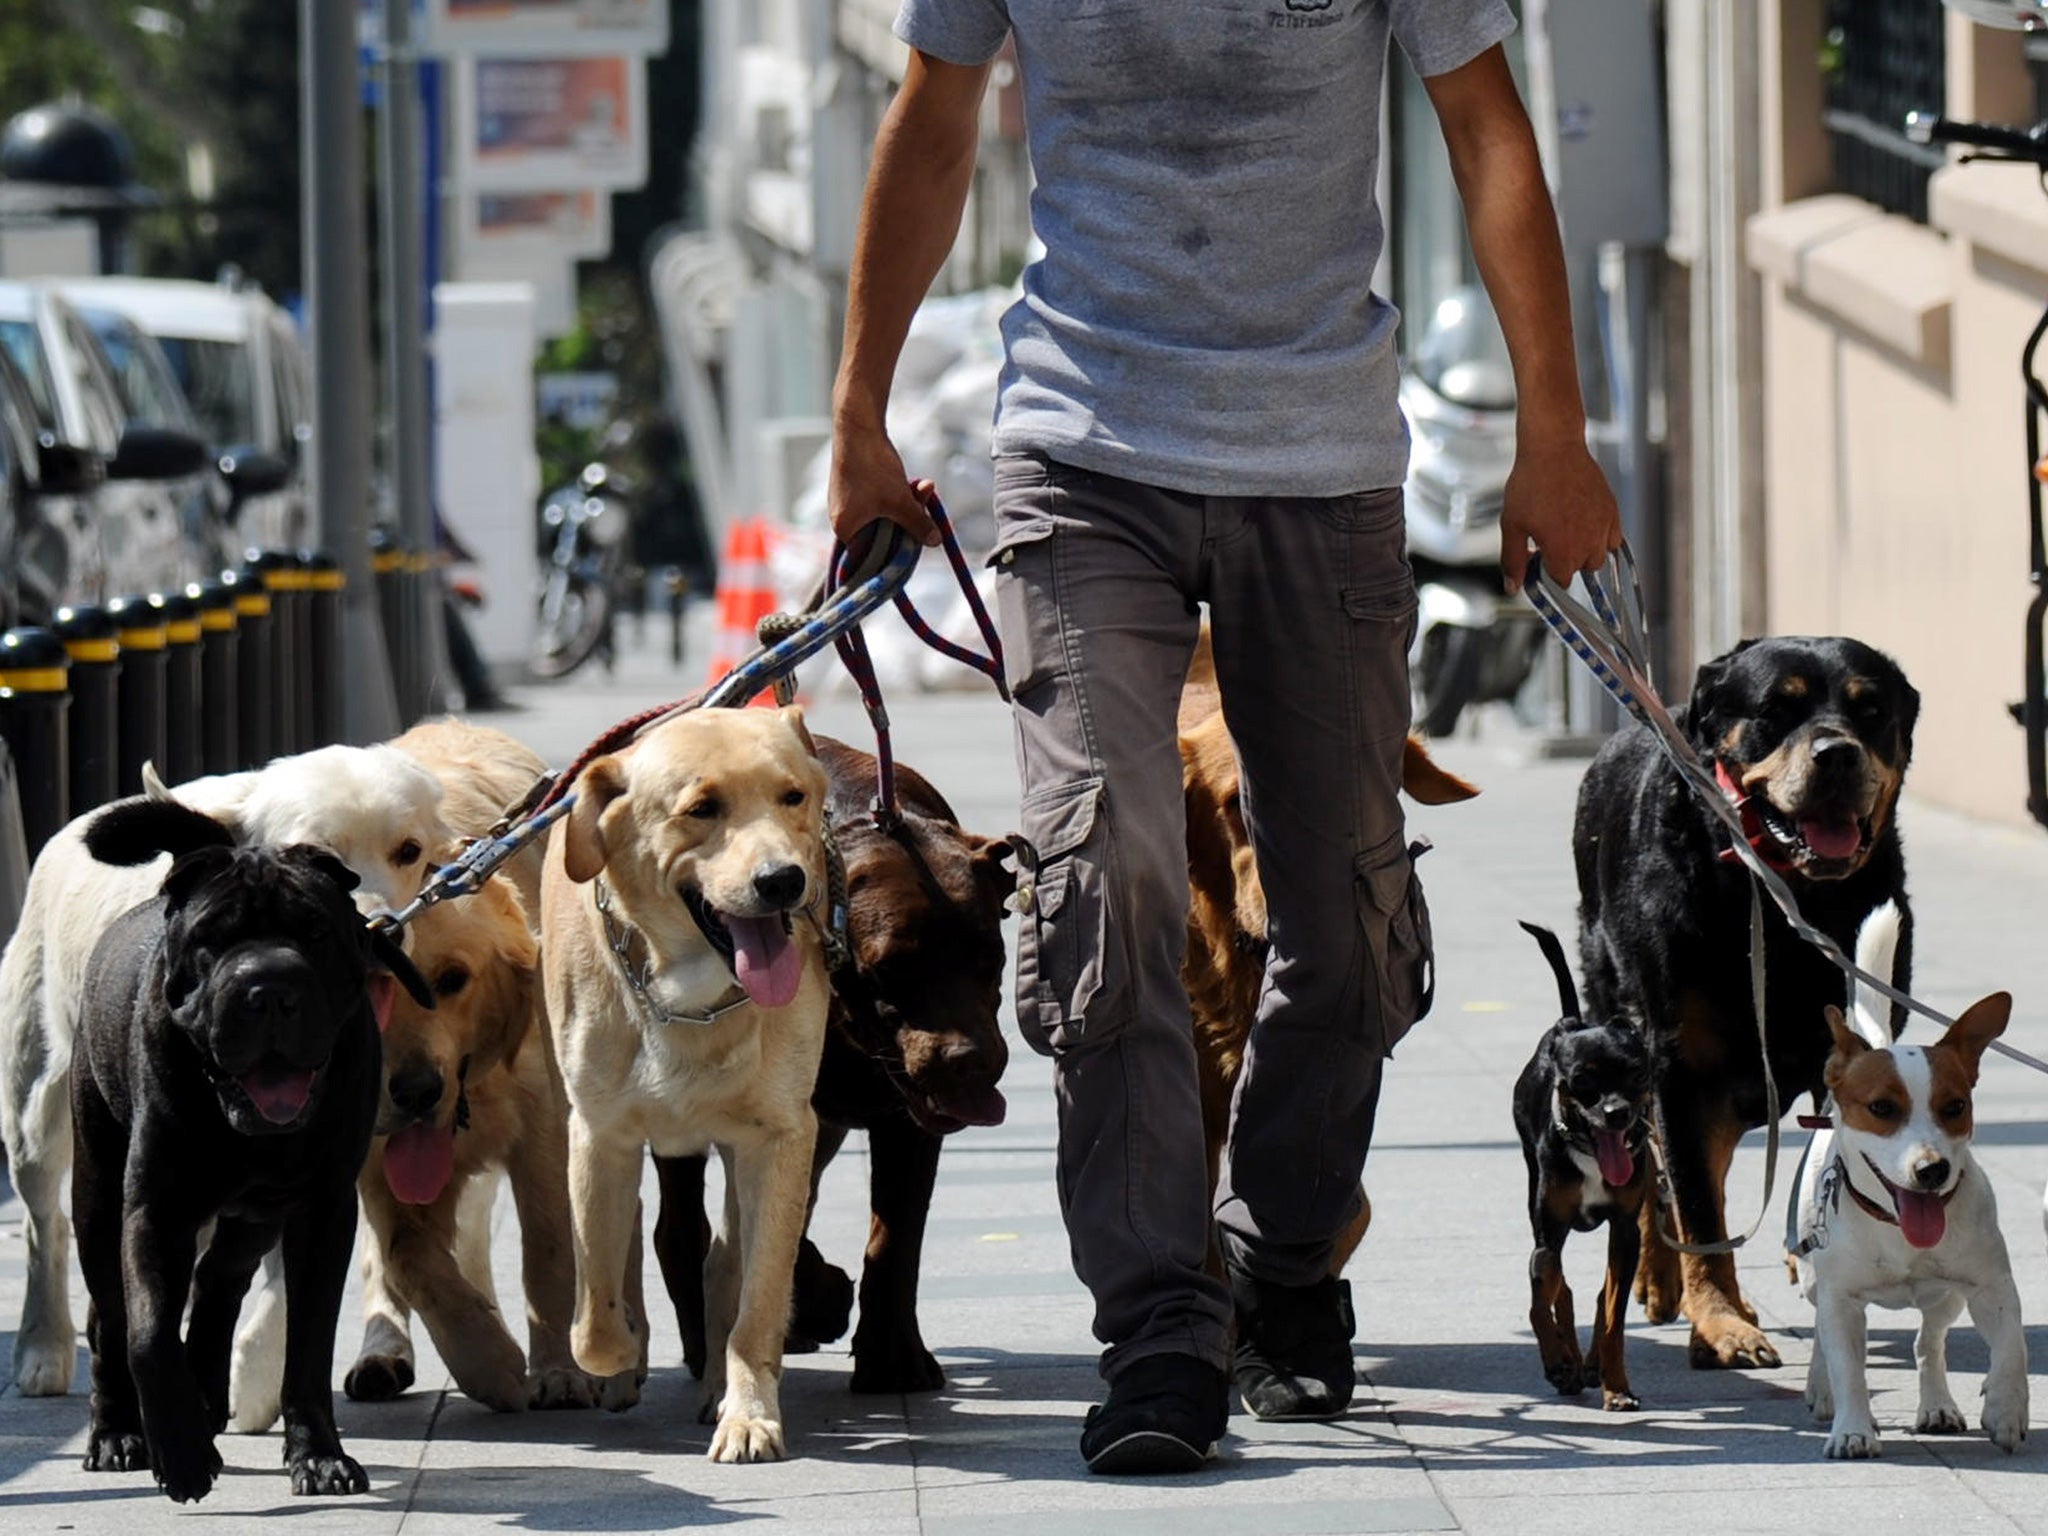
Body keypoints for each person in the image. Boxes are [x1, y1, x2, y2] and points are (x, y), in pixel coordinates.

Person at [827, 0, 1623, 1475]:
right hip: (1080, 454)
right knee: (1104, 882)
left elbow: (1486, 128)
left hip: (1318, 461)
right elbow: (933, 125)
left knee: (1345, 908)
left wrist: (1554, 432)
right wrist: (858, 415)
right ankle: (1159, 1329)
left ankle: (1289, 1254)